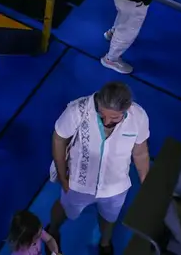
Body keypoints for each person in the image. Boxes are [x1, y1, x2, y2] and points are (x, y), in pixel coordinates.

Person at [49, 81, 150, 255]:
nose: (107, 122)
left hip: (115, 186)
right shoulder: (77, 110)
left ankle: (105, 243)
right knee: (65, 208)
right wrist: (63, 176)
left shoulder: (138, 117)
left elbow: (140, 153)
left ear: (126, 110)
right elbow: (59, 138)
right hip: (78, 182)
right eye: (102, 116)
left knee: (110, 218)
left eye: (114, 118)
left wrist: (147, 185)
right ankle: (52, 231)